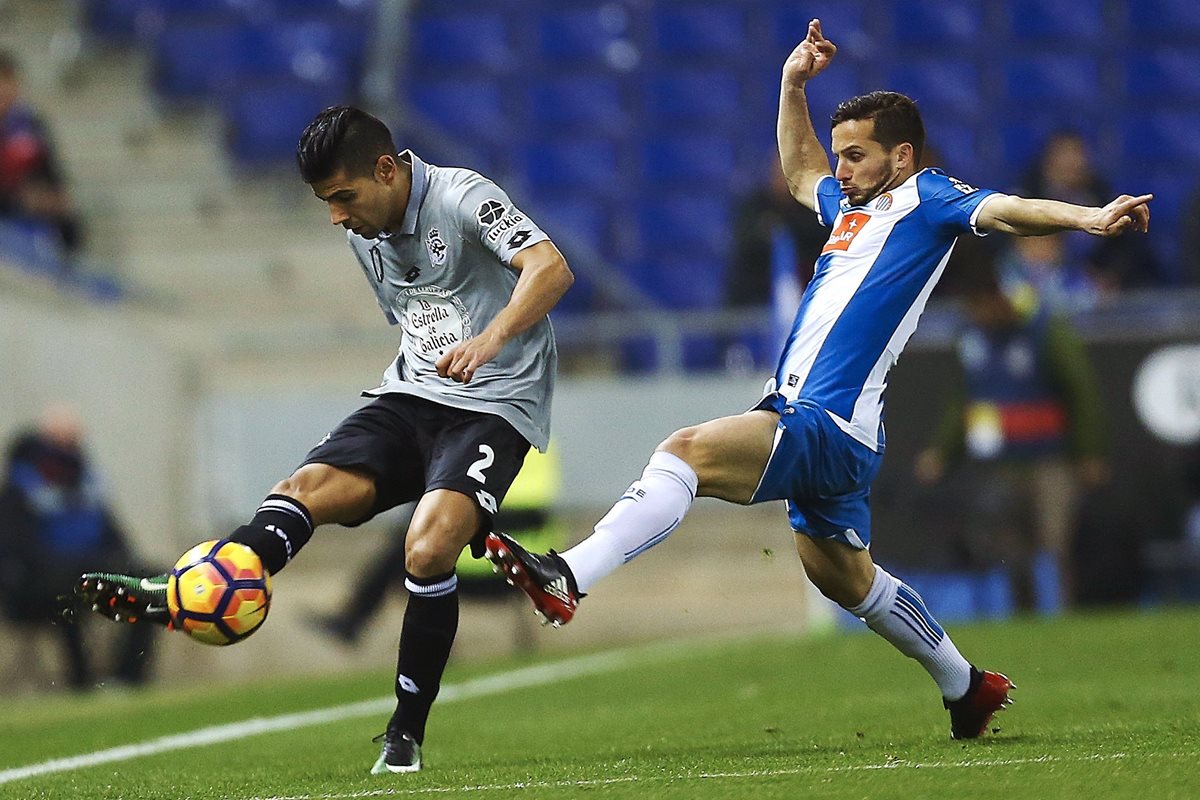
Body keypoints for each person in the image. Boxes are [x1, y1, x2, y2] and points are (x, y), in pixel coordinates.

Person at [485, 19, 1151, 741]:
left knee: (686, 452)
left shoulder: (928, 199)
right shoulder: (844, 207)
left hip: (823, 419)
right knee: (845, 579)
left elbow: (1006, 210)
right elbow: (800, 169)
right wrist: (792, 83)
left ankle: (569, 576)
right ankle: (966, 687)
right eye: (841, 155)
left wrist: (1088, 217)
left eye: (857, 156)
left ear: (903, 154)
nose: (841, 169)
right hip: (840, 431)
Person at [73, 105, 573, 773]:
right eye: (326, 202)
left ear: (387, 170)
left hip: (493, 405)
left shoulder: (462, 197)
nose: (336, 216)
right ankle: (185, 591)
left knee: (427, 546)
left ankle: (404, 735)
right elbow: (413, 318)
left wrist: (492, 339)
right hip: (411, 396)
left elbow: (551, 269)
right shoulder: (362, 235)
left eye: (343, 197)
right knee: (302, 490)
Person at [914, 268, 1109, 611]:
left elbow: (1081, 391)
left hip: (1049, 458)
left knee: (1056, 543)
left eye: (980, 307)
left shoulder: (1044, 329)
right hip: (1000, 462)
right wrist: (942, 452)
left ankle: (1067, 613)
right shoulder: (973, 338)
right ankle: (1027, 618)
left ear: (998, 300)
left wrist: (1087, 453)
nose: (977, 315)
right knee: (1012, 550)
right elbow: (963, 400)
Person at [0, 405, 157, 689]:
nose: (69, 448)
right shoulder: (21, 486)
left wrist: (121, 564)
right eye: (61, 440)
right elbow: (19, 550)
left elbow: (115, 538)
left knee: (150, 584)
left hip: (90, 572)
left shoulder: (89, 485)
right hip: (38, 586)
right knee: (68, 594)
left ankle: (125, 680)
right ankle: (82, 683)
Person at [0, 51, 83, 256]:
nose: (6, 90)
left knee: (66, 214)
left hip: (26, 208)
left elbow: (51, 171)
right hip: (11, 206)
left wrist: (55, 196)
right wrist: (18, 197)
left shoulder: (30, 124)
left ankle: (66, 272)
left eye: (10, 82)